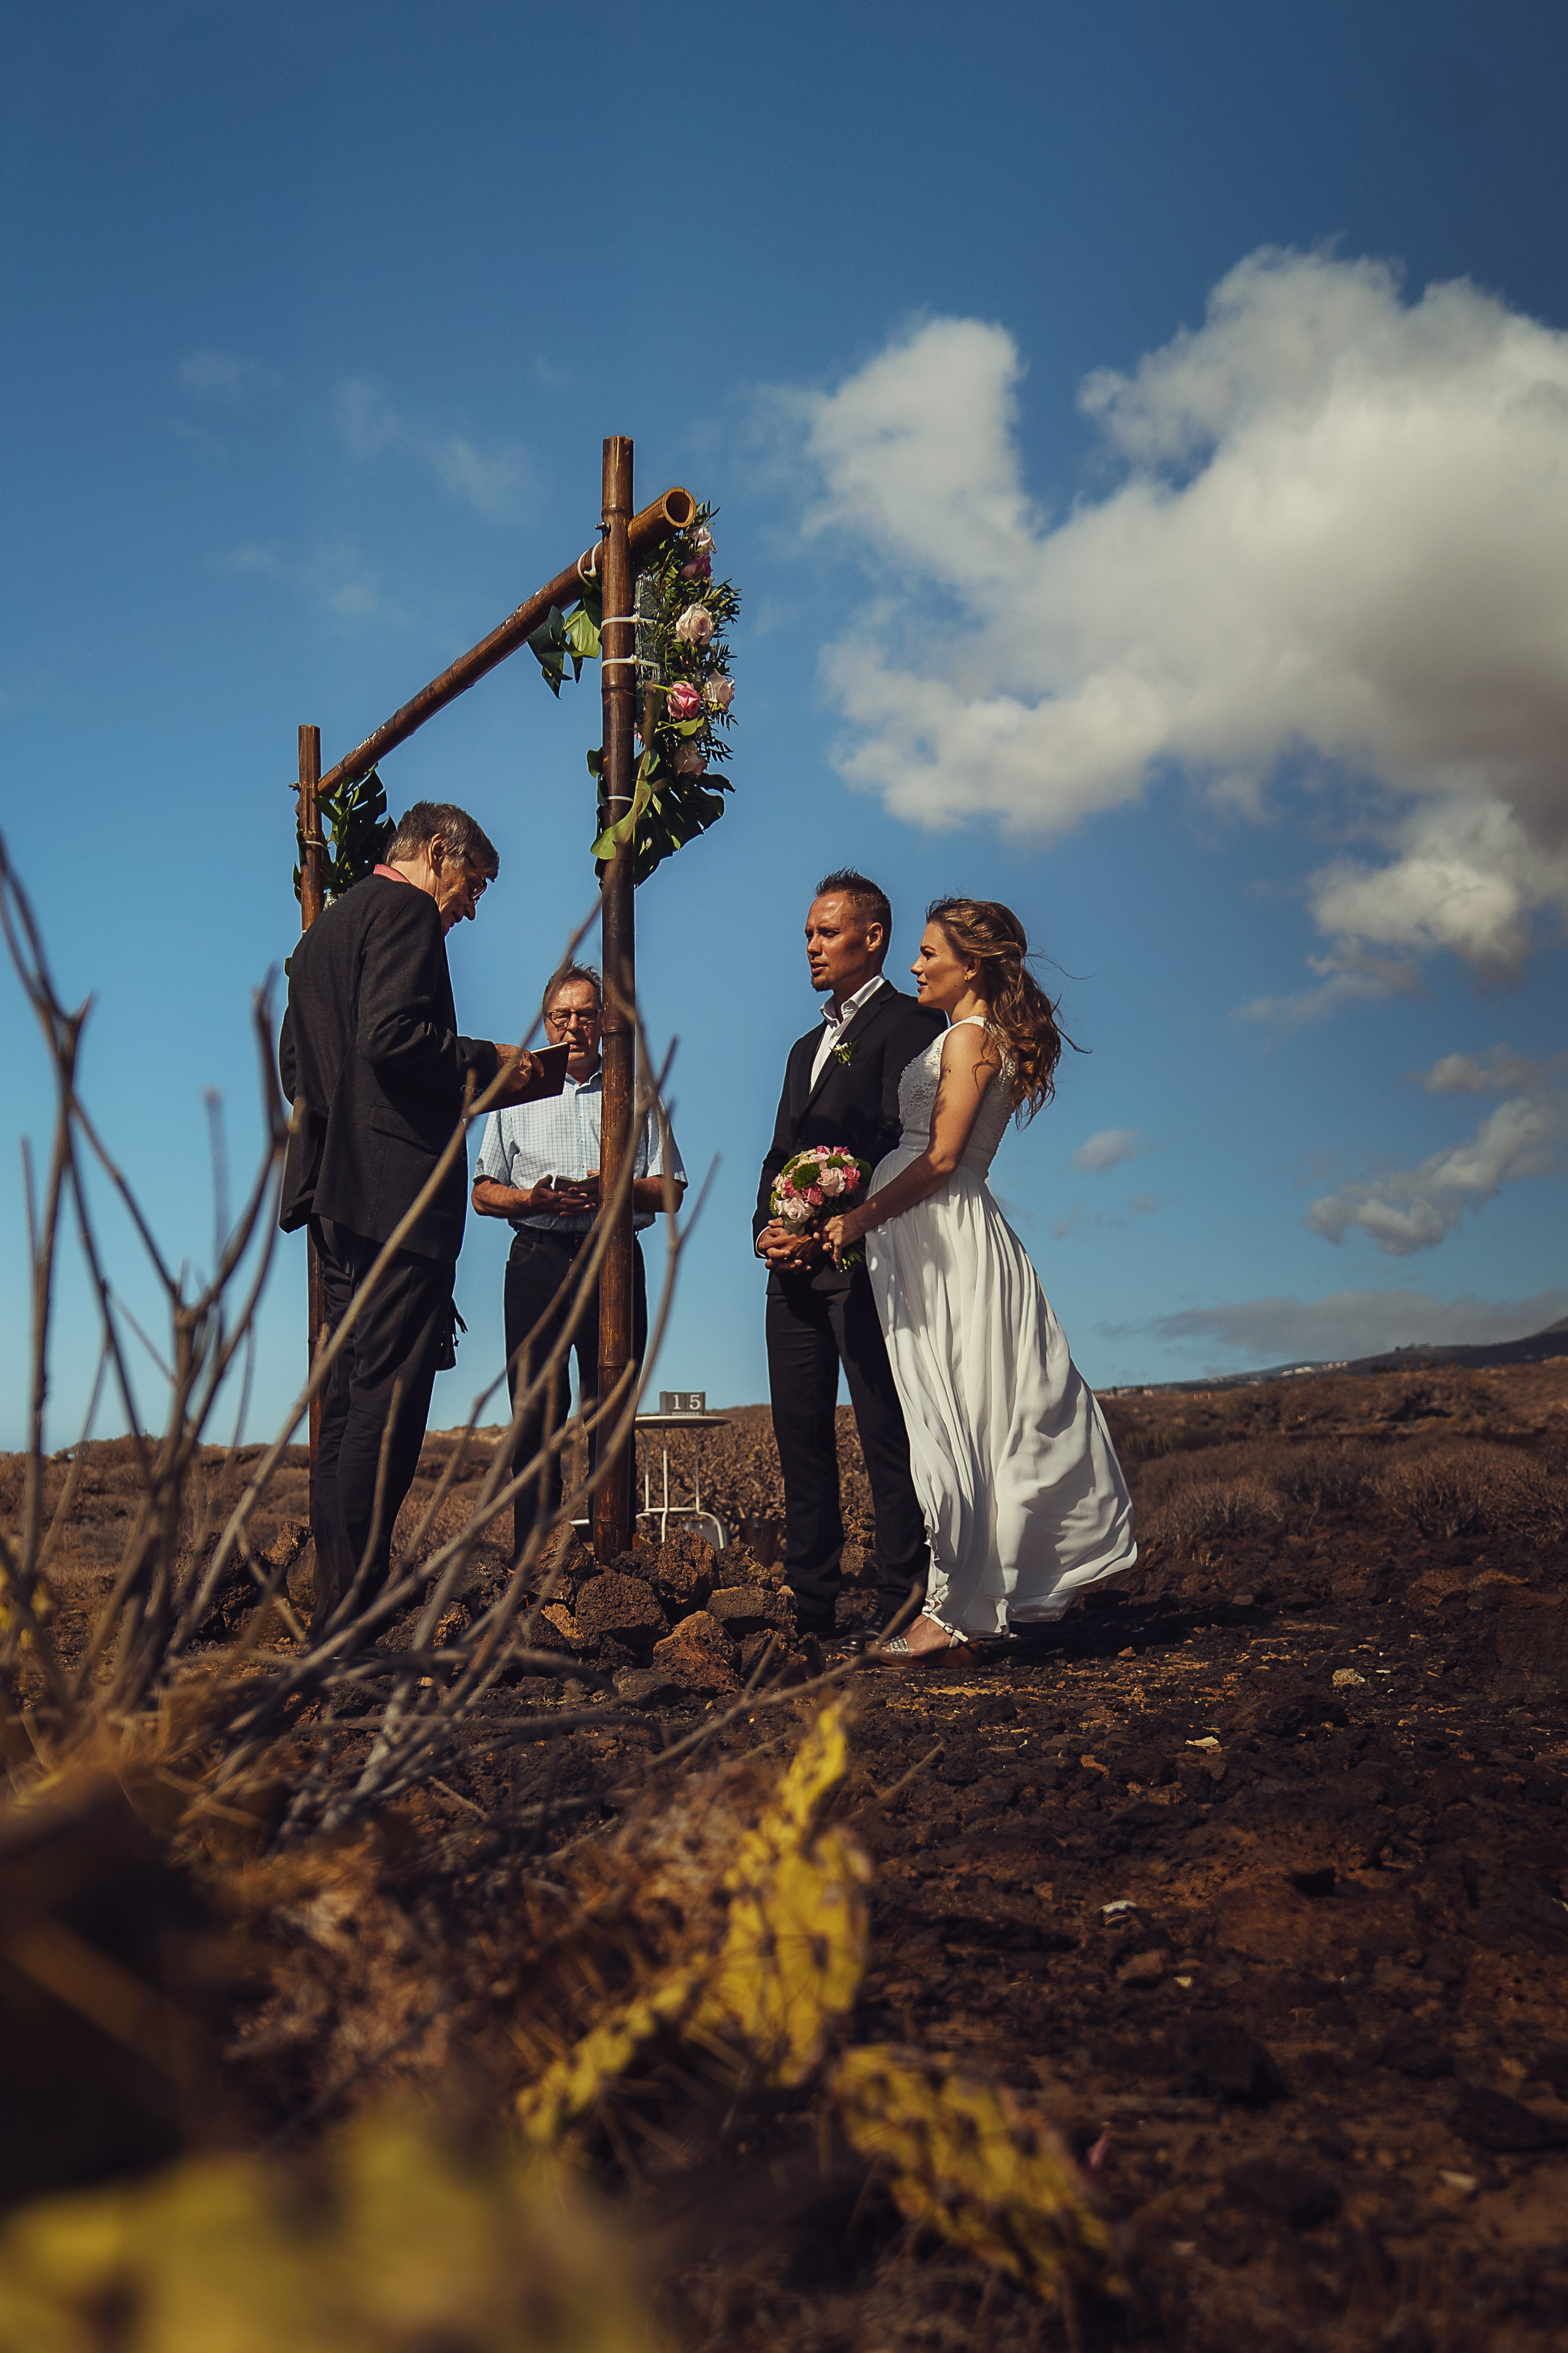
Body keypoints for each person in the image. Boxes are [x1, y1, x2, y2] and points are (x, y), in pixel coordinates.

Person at [823, 897, 1136, 1664]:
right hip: (928, 1235)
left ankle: (953, 1608)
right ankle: (966, 1600)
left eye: (930, 953)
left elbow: (938, 1159)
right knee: (951, 1411)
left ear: (972, 965)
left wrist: (857, 1220)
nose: (915, 964)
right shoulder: (965, 1036)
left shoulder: (967, 1040)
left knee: (953, 1412)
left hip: (942, 1237)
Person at [279, 800, 543, 1631]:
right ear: (436, 852)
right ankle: (354, 1618)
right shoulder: (404, 913)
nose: (473, 905)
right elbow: (392, 1038)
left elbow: (298, 1062)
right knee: (387, 1405)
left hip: (334, 1191)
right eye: (474, 882)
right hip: (395, 1193)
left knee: (350, 1406)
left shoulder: (323, 933)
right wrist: (488, 1063)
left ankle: (336, 1612)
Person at [755, 871, 944, 1641]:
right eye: (807, 933)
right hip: (790, 1272)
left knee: (884, 1432)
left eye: (825, 933)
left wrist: (839, 1221)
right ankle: (812, 1608)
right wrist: (767, 1230)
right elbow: (779, 1153)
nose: (810, 946)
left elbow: (901, 1144)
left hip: (866, 1259)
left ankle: (901, 1601)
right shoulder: (804, 1044)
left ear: (873, 938)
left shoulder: (911, 1023)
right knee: (798, 1435)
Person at [472, 962, 686, 1563]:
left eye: (586, 1015)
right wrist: (532, 1198)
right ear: (545, 1022)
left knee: (609, 1406)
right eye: (562, 1016)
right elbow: (483, 1189)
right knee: (535, 1411)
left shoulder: (635, 1091)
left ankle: (613, 1556)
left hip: (610, 1257)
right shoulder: (517, 1091)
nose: (574, 1027)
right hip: (537, 1256)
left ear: (604, 1021)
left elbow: (670, 1189)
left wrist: (613, 1188)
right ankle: (535, 1560)